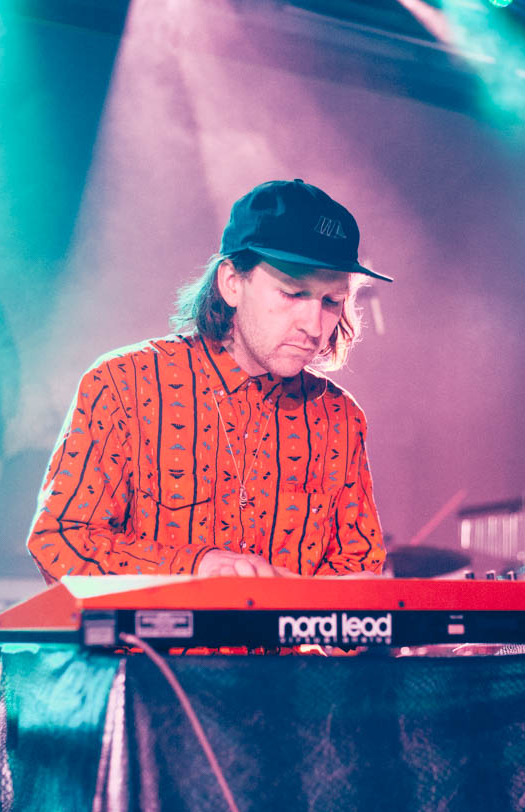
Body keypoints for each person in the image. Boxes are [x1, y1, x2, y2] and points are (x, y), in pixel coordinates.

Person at [27, 179, 391, 581]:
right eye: (292, 293)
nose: (314, 326)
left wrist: (305, 599)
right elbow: (61, 540)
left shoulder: (340, 418)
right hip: (155, 627)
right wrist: (196, 568)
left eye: (331, 301)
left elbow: (360, 570)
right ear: (231, 283)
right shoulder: (124, 384)